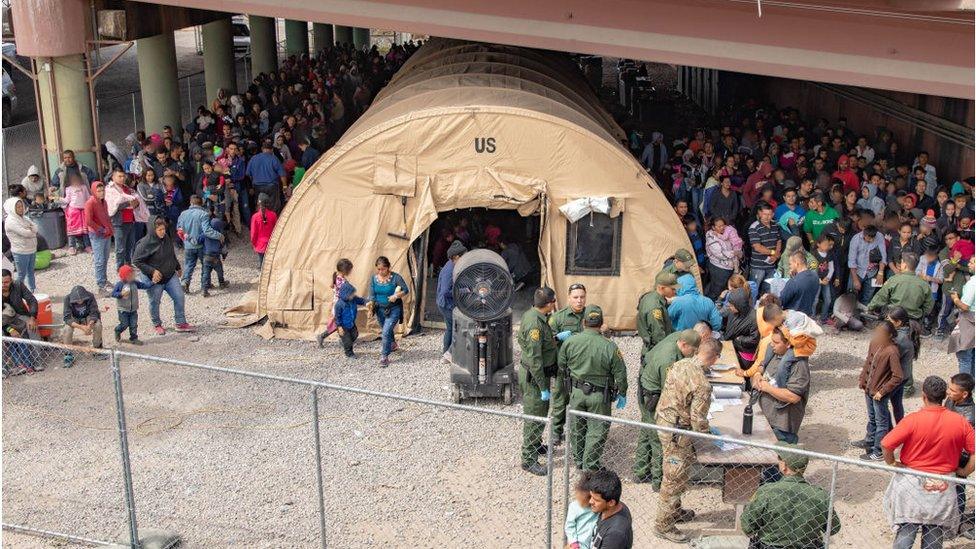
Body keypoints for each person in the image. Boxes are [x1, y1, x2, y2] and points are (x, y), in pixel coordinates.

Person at [882, 376, 975, 549]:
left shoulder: (912, 420)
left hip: (911, 483)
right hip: (943, 485)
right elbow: (974, 453)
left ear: (923, 396)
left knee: (907, 528)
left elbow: (886, 444)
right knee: (934, 531)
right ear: (943, 396)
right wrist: (964, 473)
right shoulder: (961, 422)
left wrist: (892, 463)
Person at [653, 338, 721, 543]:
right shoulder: (702, 384)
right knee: (674, 476)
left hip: (664, 422)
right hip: (677, 433)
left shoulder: (680, 363)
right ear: (715, 359)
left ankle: (675, 510)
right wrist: (710, 435)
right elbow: (698, 420)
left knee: (680, 469)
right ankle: (663, 525)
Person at [560, 305, 627, 471]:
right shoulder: (609, 346)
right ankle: (590, 465)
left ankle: (579, 461)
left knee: (577, 428)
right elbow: (620, 373)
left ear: (583, 322)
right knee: (597, 430)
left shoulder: (570, 341)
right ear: (602, 323)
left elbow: (562, 365)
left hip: (576, 392)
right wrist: (623, 392)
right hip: (599, 396)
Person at [741, 442, 841, 549]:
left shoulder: (766, 492)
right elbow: (834, 528)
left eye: (779, 458)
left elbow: (747, 527)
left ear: (784, 466)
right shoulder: (820, 496)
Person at [634, 329, 700, 488]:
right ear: (684, 344)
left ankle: (640, 471)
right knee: (658, 437)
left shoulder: (676, 337)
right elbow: (670, 390)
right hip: (653, 397)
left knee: (646, 431)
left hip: (647, 391)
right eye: (693, 351)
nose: (693, 355)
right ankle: (658, 481)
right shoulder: (668, 359)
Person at [516, 287, 558, 476]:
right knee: (535, 416)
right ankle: (528, 459)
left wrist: (555, 338)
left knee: (540, 413)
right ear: (549, 304)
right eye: (553, 301)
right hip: (535, 379)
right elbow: (535, 359)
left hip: (536, 375)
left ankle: (536, 444)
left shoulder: (532, 315)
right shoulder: (535, 324)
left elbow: (530, 343)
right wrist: (543, 387)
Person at [133, 217, 195, 335]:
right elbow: (136, 261)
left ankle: (180, 323)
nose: (163, 232)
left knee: (179, 296)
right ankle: (157, 324)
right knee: (155, 301)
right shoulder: (144, 244)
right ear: (152, 230)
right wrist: (152, 271)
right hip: (154, 279)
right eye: (159, 230)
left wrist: (177, 266)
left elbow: (170, 253)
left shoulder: (166, 238)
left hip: (170, 275)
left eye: (164, 229)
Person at [852, 321, 904, 461]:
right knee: (873, 419)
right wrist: (863, 380)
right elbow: (868, 361)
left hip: (878, 394)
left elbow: (898, 376)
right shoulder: (874, 343)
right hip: (869, 390)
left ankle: (879, 451)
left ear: (889, 335)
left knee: (881, 422)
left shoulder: (892, 351)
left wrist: (882, 391)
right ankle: (869, 442)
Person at [753, 328, 811, 443]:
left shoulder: (799, 365)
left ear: (788, 344)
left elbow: (793, 397)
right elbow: (762, 366)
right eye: (772, 341)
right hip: (766, 419)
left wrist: (767, 388)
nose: (772, 344)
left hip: (782, 427)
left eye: (776, 342)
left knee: (780, 458)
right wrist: (757, 374)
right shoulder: (774, 353)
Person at [549, 283, 590, 444]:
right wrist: (557, 337)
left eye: (582, 297)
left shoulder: (590, 314)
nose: (579, 301)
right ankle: (556, 432)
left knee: (583, 401)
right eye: (575, 297)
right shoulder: (558, 317)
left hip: (585, 368)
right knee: (560, 400)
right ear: (568, 298)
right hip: (565, 369)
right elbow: (548, 342)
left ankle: (580, 432)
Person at [945, 372, 975, 534]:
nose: (948, 392)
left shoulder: (969, 417)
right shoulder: (951, 400)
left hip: (959, 460)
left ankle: (955, 524)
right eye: (949, 388)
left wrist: (965, 469)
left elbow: (971, 449)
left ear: (965, 394)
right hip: (947, 455)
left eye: (952, 390)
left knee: (958, 490)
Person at [366, 256, 409, 367]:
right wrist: (371, 307)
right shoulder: (373, 279)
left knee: (385, 331)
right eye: (379, 269)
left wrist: (396, 295)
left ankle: (384, 356)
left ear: (388, 267)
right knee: (386, 329)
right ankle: (393, 344)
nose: (381, 271)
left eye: (383, 269)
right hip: (379, 309)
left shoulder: (396, 278)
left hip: (393, 308)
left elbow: (405, 290)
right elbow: (372, 295)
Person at [177, 195, 224, 292]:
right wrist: (219, 236)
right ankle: (206, 284)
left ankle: (185, 283)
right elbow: (207, 231)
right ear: (201, 203)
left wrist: (185, 240)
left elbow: (179, 229)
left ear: (191, 203)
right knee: (205, 265)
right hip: (201, 245)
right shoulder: (204, 214)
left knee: (189, 265)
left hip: (188, 244)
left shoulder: (183, 214)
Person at [868, 253, 934, 321]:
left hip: (893, 317)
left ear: (905, 265)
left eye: (902, 262)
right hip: (914, 319)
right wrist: (922, 314)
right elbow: (929, 306)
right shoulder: (925, 284)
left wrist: (870, 308)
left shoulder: (894, 279)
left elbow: (881, 297)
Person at [105, 168, 145, 271]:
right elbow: (112, 205)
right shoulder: (110, 190)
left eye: (123, 176)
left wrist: (135, 204)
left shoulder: (126, 188)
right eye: (119, 176)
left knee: (130, 244)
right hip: (119, 222)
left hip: (130, 220)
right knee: (120, 247)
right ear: (113, 177)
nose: (122, 178)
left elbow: (135, 202)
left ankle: (128, 264)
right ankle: (120, 267)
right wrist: (128, 203)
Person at [888, 307, 920, 422]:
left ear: (899, 322)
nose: (888, 323)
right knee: (897, 403)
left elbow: (890, 358)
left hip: (897, 377)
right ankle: (900, 428)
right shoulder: (908, 333)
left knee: (880, 403)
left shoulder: (899, 339)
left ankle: (888, 431)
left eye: (890, 321)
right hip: (904, 376)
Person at [436, 240, 467, 363]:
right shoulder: (450, 269)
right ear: (456, 257)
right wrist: (462, 291)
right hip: (447, 305)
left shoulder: (452, 265)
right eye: (463, 256)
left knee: (450, 328)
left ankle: (445, 354)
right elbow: (445, 291)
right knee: (459, 328)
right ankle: (449, 353)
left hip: (443, 303)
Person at [588, 470, 633, 549]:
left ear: (611, 502)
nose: (590, 501)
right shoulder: (614, 507)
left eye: (596, 500)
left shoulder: (615, 535)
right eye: (591, 496)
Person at [636, 272, 678, 358]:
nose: (675, 291)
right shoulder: (655, 307)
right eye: (672, 289)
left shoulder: (649, 297)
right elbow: (658, 335)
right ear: (662, 288)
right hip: (655, 350)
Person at [61, 285, 104, 364]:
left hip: (87, 317)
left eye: (82, 299)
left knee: (98, 325)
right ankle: (68, 353)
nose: (80, 301)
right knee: (67, 329)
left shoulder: (90, 296)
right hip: (74, 318)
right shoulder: (67, 299)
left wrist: (89, 326)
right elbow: (67, 318)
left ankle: (97, 348)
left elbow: (94, 313)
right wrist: (81, 327)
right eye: (77, 300)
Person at [83, 181, 114, 293]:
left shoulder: (104, 202)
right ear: (93, 191)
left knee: (105, 258)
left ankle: (104, 280)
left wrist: (109, 228)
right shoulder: (90, 203)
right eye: (99, 191)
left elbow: (106, 216)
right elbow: (88, 221)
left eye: (103, 190)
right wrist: (101, 229)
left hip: (106, 233)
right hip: (97, 234)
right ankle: (100, 284)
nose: (101, 193)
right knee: (99, 260)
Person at [948, 255, 976, 376]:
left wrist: (955, 299)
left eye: (972, 262)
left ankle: (965, 387)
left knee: (964, 357)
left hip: (969, 320)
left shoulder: (973, 283)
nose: (969, 264)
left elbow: (965, 306)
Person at [110, 265, 152, 345]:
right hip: (123, 309)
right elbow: (113, 294)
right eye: (131, 274)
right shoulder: (120, 284)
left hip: (133, 309)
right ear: (126, 276)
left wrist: (152, 283)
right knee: (124, 324)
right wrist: (121, 294)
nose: (134, 275)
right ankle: (118, 330)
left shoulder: (135, 282)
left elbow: (144, 286)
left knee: (134, 324)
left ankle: (134, 338)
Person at [3, 197, 38, 292]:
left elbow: (35, 228)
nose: (21, 209)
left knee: (31, 272)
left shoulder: (25, 218)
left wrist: (30, 230)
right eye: (18, 207)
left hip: (31, 249)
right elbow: (26, 233)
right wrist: (30, 230)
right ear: (12, 208)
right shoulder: (10, 221)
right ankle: (17, 293)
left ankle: (32, 291)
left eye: (21, 206)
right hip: (21, 251)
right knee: (21, 274)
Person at [704, 217, 743, 299]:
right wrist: (734, 253)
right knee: (717, 289)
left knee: (726, 289)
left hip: (729, 266)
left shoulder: (728, 232)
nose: (722, 228)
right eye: (719, 226)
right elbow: (720, 254)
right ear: (713, 227)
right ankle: (712, 304)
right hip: (719, 268)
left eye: (723, 225)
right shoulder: (711, 238)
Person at [245, 140, 288, 212]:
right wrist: (284, 186)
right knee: (273, 207)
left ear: (262, 149)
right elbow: (282, 175)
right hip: (272, 187)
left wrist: (252, 184)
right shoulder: (274, 158)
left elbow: (248, 174)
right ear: (272, 149)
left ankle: (261, 221)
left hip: (257, 187)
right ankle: (272, 222)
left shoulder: (253, 158)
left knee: (260, 206)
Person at [848, 224, 886, 305]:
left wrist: (881, 272)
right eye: (869, 238)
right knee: (851, 297)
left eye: (873, 238)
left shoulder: (880, 236)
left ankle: (863, 316)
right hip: (857, 272)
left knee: (868, 297)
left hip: (873, 273)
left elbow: (883, 256)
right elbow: (852, 261)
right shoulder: (855, 239)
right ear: (864, 234)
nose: (872, 240)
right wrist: (855, 280)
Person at [722, 287, 759, 369]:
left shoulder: (754, 317)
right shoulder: (733, 312)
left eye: (732, 306)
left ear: (738, 305)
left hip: (744, 352)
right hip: (731, 346)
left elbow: (754, 338)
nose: (730, 307)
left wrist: (740, 339)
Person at [748, 203, 782, 291]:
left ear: (773, 214)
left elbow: (779, 240)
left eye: (770, 214)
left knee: (770, 290)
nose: (767, 217)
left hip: (771, 265)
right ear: (759, 214)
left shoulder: (775, 225)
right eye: (765, 214)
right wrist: (774, 253)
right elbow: (757, 247)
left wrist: (776, 255)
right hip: (758, 266)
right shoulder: (754, 227)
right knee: (753, 290)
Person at [779, 251, 820, 316]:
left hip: (793, 317)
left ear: (796, 263)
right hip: (807, 315)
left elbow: (781, 301)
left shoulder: (794, 282)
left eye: (790, 264)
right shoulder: (815, 276)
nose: (789, 266)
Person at [564, 472, 598, 549]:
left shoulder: (596, 506)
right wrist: (573, 542)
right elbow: (569, 526)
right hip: (578, 544)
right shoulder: (574, 506)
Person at [60, 175, 92, 255]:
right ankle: (72, 246)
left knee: (85, 230)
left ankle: (87, 246)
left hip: (83, 211)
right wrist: (58, 199)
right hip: (73, 211)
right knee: (72, 230)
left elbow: (88, 197)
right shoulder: (69, 189)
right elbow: (67, 200)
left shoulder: (84, 187)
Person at [334, 279, 366, 357]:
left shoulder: (353, 299)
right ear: (346, 294)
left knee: (355, 335)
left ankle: (345, 342)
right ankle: (349, 353)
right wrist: (339, 326)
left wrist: (367, 302)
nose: (353, 295)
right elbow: (337, 317)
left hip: (351, 323)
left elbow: (361, 300)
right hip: (343, 326)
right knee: (348, 341)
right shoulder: (339, 304)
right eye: (351, 294)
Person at [201, 207, 228, 297]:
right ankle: (221, 283)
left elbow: (198, 240)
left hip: (206, 256)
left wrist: (188, 237)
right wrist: (224, 256)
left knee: (206, 273)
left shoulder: (205, 233)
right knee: (220, 271)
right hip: (216, 257)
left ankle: (205, 289)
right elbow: (224, 248)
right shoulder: (220, 236)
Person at [812, 234, 837, 323]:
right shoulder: (813, 254)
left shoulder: (829, 254)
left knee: (828, 299)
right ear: (818, 244)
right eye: (826, 245)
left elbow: (831, 268)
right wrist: (820, 281)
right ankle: (812, 318)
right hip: (816, 280)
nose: (828, 247)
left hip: (826, 280)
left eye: (829, 245)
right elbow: (812, 271)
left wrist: (827, 278)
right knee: (815, 300)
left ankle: (824, 318)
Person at [249, 193, 278, 268]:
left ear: (258, 204)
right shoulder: (273, 215)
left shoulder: (255, 217)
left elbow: (253, 233)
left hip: (260, 244)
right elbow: (276, 230)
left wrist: (253, 244)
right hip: (271, 243)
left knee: (262, 263)